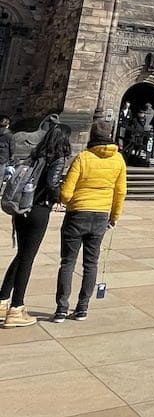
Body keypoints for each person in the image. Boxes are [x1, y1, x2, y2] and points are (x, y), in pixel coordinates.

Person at [51, 123, 127, 323]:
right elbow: (120, 192)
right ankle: (82, 308)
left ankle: (61, 309)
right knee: (91, 263)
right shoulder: (118, 159)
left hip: (77, 214)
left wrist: (64, 200)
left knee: (67, 262)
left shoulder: (83, 157)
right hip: (101, 215)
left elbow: (66, 192)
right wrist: (115, 216)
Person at [1, 122, 72, 328]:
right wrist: (60, 198)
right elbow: (51, 183)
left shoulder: (36, 154)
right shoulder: (58, 157)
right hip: (39, 210)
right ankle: (16, 308)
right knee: (27, 259)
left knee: (21, 255)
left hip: (22, 208)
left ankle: (2, 299)